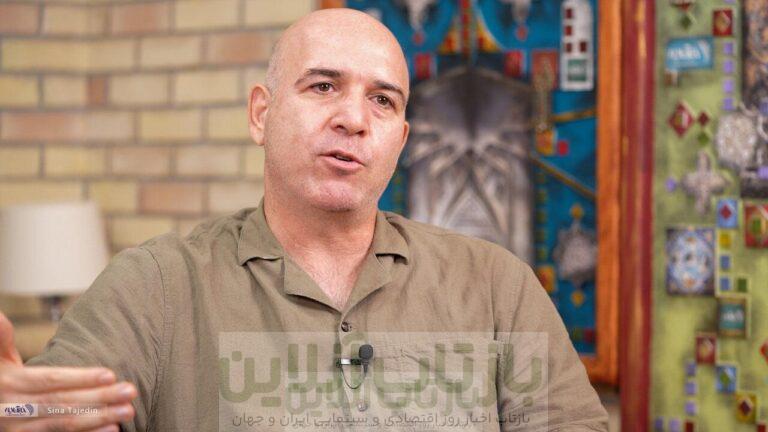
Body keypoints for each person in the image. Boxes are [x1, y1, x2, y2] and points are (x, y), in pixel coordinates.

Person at [0, 8, 608, 432]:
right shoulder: (154, 287)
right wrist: (14, 412)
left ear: (400, 140)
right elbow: (45, 411)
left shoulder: (497, 286)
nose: (353, 119)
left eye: (382, 100)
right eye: (322, 87)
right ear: (260, 115)